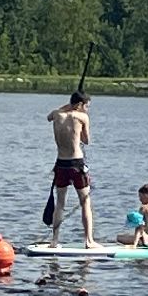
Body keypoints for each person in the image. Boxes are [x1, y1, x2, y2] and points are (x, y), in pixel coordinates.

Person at [46, 92, 100, 249]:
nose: (87, 110)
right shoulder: (82, 118)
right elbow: (86, 140)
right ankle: (89, 241)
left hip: (60, 163)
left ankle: (54, 241)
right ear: (79, 105)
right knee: (85, 202)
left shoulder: (56, 114)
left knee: (60, 203)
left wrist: (66, 106)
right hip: (76, 164)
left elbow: (48, 117)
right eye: (86, 106)